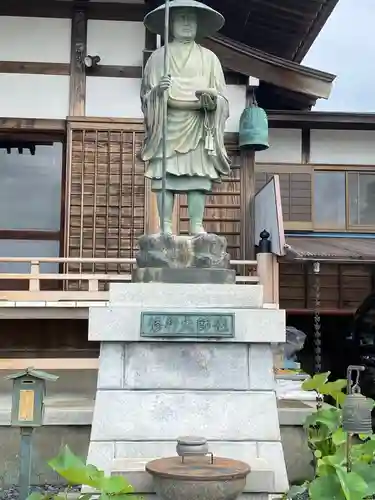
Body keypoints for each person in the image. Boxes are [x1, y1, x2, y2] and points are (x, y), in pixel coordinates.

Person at [141, 0, 231, 235]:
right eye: (181, 18)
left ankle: (196, 225)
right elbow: (146, 95)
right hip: (168, 124)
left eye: (191, 19)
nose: (187, 23)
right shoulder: (158, 58)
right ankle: (166, 226)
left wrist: (213, 101)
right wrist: (158, 93)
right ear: (170, 23)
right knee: (164, 178)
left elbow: (222, 97)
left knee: (197, 178)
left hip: (198, 123)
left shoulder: (209, 58)